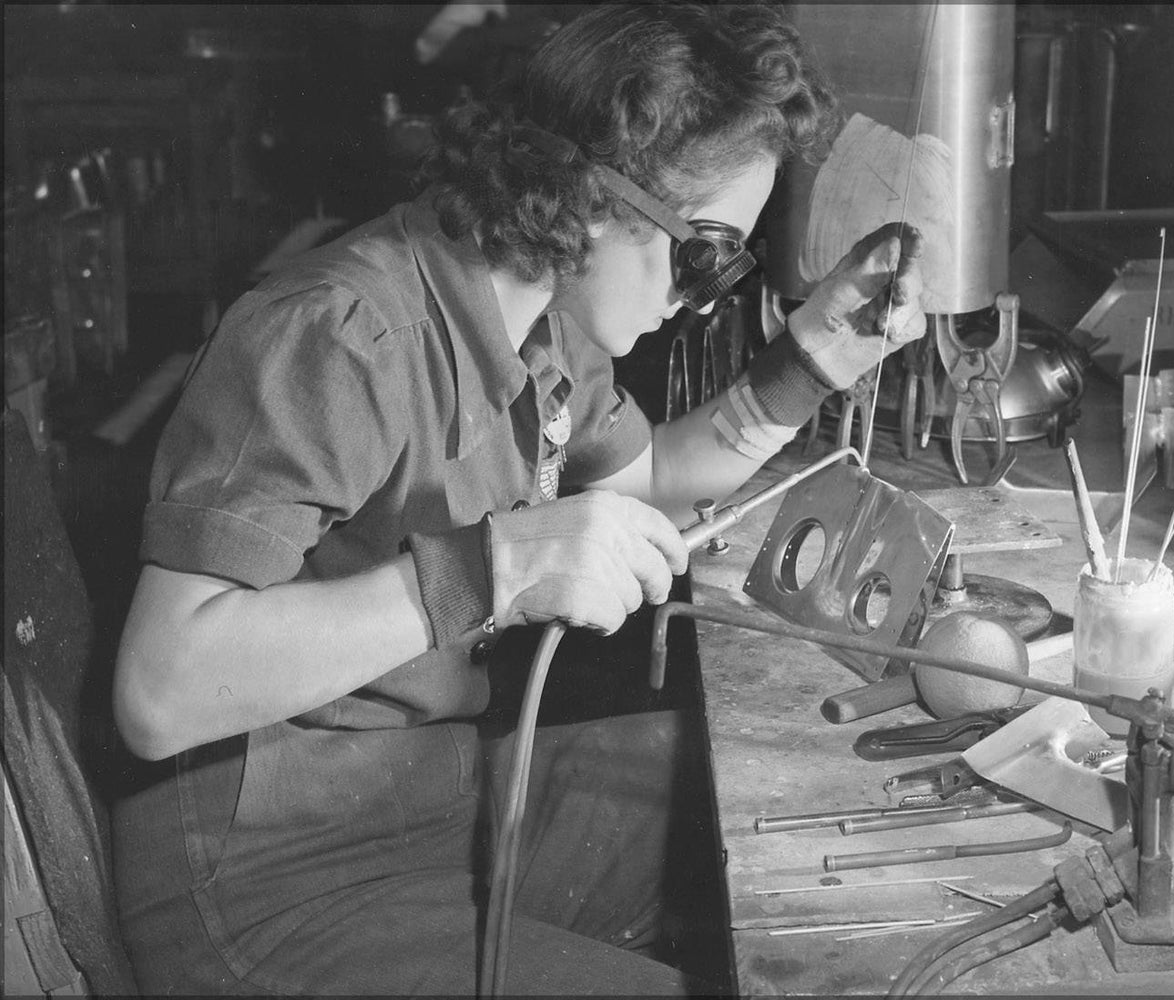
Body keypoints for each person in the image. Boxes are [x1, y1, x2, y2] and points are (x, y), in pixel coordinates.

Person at [110, 3, 925, 995]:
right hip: (269, 878)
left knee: (765, 805)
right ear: (589, 195)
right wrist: (496, 566)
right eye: (702, 251)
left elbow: (650, 485)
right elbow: (160, 690)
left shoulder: (541, 317)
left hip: (432, 797)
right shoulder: (338, 335)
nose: (701, 295)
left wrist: (811, 360)